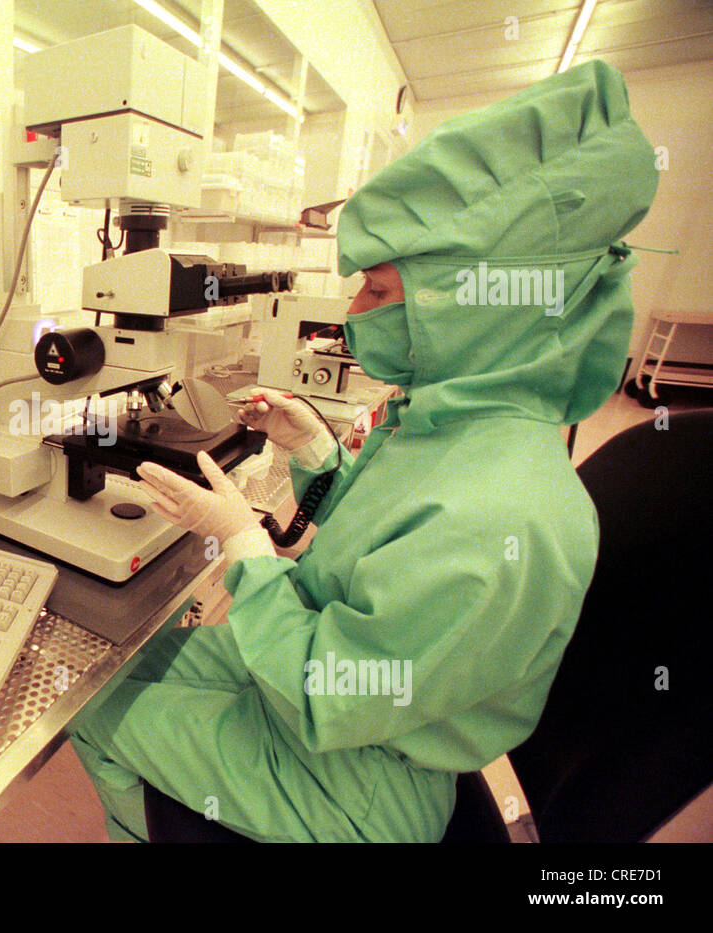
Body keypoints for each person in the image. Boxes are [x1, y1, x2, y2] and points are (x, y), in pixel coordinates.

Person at [68, 59, 659, 842]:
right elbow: (387, 541)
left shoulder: (507, 516)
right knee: (104, 671)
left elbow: (331, 689)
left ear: (474, 301)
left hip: (351, 772)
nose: (351, 313)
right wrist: (317, 452)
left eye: (377, 292)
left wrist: (245, 547)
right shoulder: (461, 423)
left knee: (91, 714)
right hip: (329, 686)